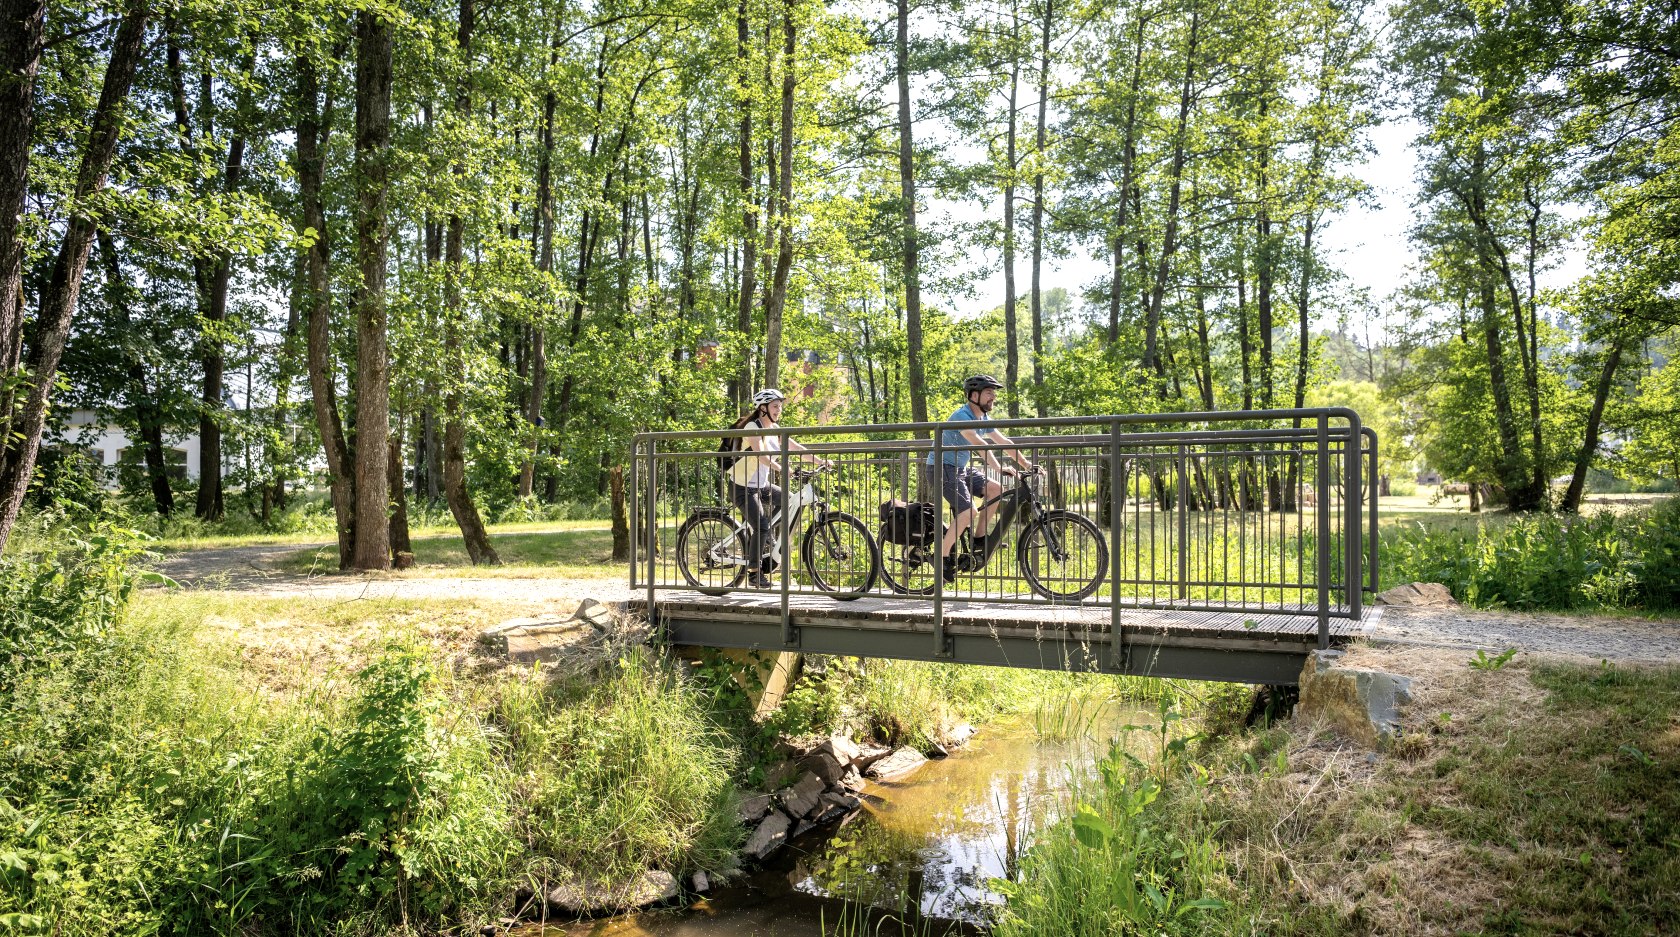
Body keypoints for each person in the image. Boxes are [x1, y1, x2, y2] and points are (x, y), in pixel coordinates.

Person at [924, 375, 1037, 581]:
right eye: (988, 392)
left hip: (959, 468)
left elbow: (1003, 441)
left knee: (996, 490)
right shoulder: (962, 416)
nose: (993, 397)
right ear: (974, 395)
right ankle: (941, 557)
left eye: (993, 393)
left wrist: (1027, 464)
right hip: (941, 468)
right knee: (968, 512)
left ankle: (978, 539)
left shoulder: (983, 419)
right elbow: (979, 445)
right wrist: (998, 466)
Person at [727, 388, 831, 587]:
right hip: (742, 487)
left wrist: (820, 461)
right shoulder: (753, 427)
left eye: (780, 407)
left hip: (761, 485)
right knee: (762, 525)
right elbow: (761, 456)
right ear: (763, 408)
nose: (779, 410)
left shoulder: (775, 430)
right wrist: (781, 468)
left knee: (789, 501)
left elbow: (797, 448)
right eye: (775, 406)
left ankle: (766, 540)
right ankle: (755, 573)